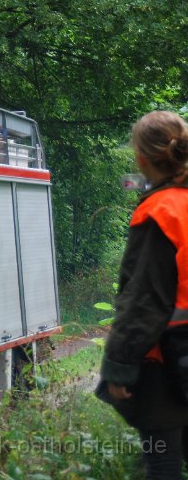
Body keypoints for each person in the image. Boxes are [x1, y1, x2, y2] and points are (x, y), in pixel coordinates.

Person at [96, 111, 188, 479]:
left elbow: (144, 299)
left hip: (166, 360)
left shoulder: (159, 212)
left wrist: (119, 366)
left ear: (142, 158)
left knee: (162, 461)